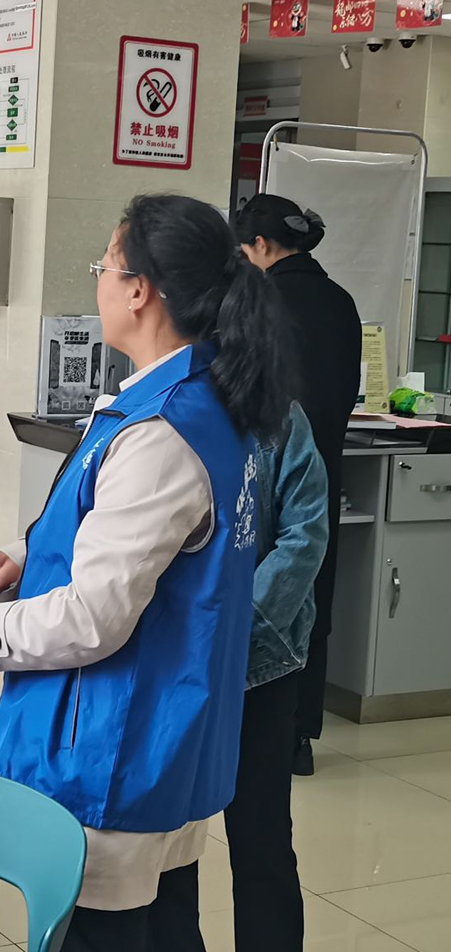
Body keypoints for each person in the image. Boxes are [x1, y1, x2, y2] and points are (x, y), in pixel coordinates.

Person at [0, 194, 286, 951]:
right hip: (168, 735)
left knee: (106, 933)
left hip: (114, 751)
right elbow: (145, 539)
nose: (97, 281)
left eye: (105, 265)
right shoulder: (200, 402)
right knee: (167, 926)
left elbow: (94, 617)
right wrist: (25, 556)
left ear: (140, 290)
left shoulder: (162, 430)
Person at [235, 193, 361, 776]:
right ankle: (301, 735)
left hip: (267, 470)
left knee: (268, 589)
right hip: (325, 465)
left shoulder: (260, 300)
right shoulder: (341, 301)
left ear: (260, 245)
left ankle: (262, 727)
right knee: (313, 592)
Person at [223, 402, 327, 952]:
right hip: (173, 667)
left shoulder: (277, 418)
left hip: (256, 665)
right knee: (162, 854)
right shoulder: (154, 407)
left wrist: (235, 634)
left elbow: (304, 538)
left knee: (260, 838)